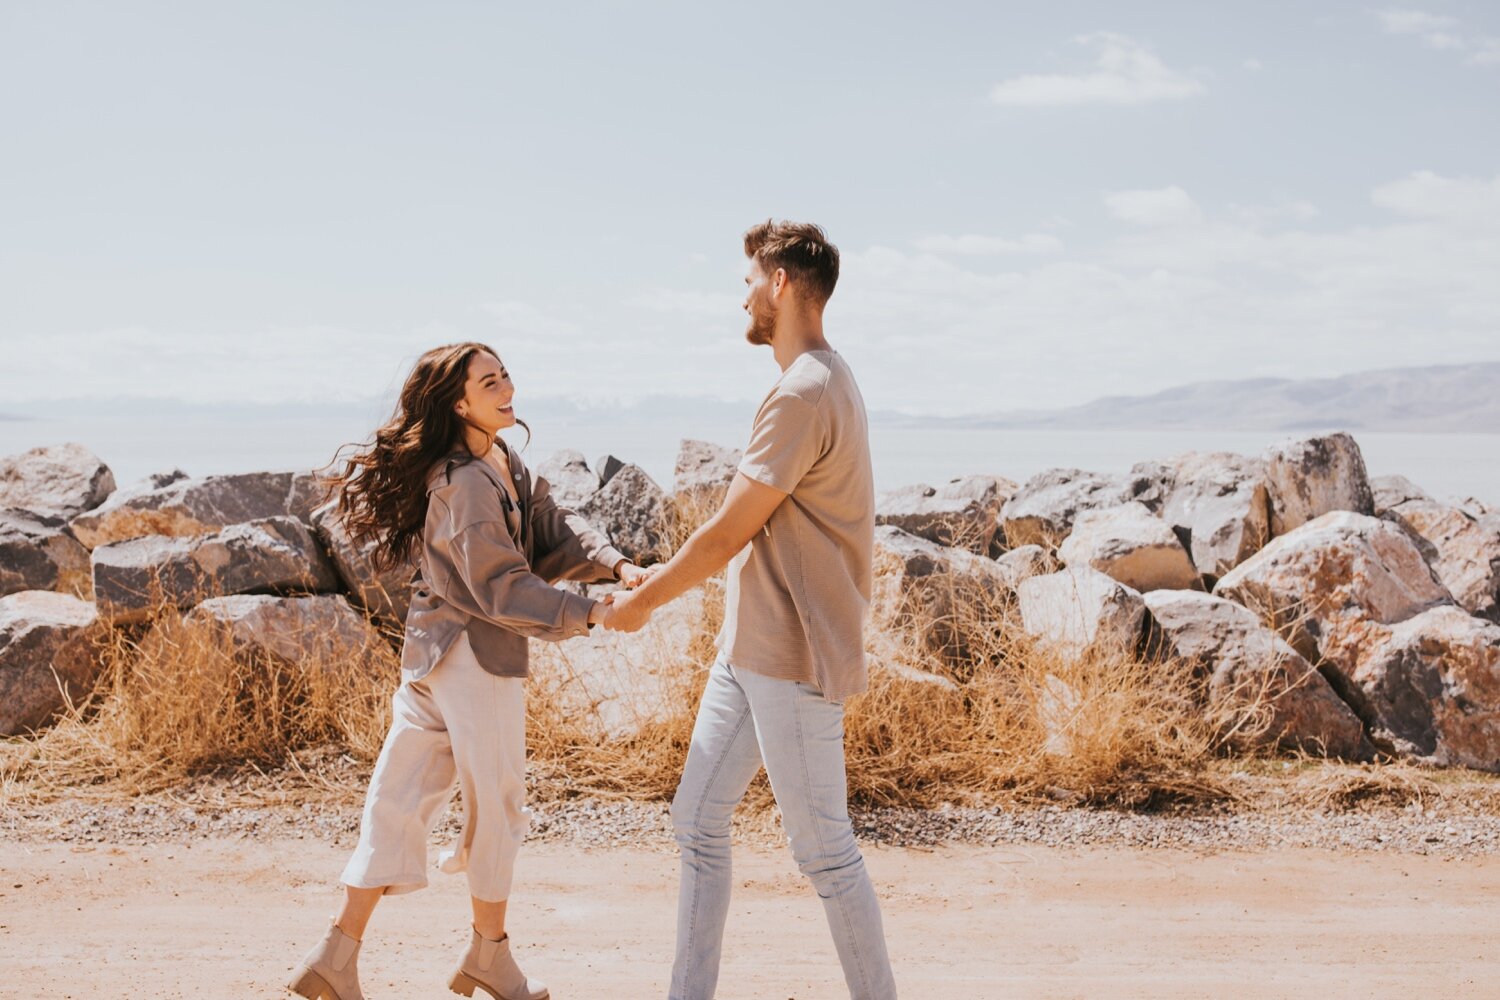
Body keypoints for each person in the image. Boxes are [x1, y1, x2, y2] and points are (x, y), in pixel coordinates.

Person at [289, 342, 650, 1000]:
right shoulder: (462, 482)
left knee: (398, 801)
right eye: (490, 381)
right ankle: (489, 956)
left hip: (432, 655)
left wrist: (617, 563)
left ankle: (335, 955)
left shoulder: (499, 458)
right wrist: (594, 613)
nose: (507, 387)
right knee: (499, 803)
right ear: (459, 403)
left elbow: (550, 520)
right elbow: (502, 589)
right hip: (474, 661)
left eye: (505, 373)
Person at [604, 220, 898, 999]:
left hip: (795, 652)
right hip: (751, 650)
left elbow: (731, 529)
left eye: (747, 280)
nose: (741, 295)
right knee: (697, 823)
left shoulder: (805, 390)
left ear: (779, 285)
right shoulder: (820, 378)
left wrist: (646, 604)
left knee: (826, 854)